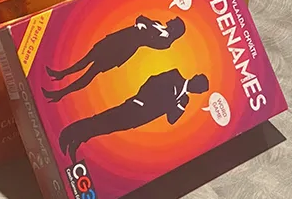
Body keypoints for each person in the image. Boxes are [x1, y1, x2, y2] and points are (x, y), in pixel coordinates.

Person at [57, 69, 209, 161]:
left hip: (139, 119)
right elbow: (152, 81)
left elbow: (171, 119)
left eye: (200, 90)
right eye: (199, 85)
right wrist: (141, 99)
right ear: (195, 77)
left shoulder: (184, 99)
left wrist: (181, 105)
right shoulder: (174, 76)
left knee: (106, 129)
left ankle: (76, 142)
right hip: (135, 106)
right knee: (102, 120)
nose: (197, 89)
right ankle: (67, 134)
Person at [43, 15, 186, 102]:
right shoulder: (158, 23)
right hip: (118, 38)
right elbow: (141, 18)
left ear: (175, 29)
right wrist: (141, 24)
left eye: (174, 21)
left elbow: (146, 39)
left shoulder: (165, 43)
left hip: (122, 50)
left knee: (91, 72)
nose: (172, 19)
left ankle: (60, 93)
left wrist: (143, 28)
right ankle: (61, 74)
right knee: (87, 58)